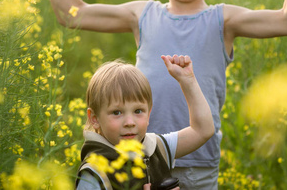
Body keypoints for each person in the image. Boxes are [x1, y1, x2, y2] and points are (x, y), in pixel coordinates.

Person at [34, 0, 287, 189]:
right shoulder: (142, 15)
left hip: (198, 164)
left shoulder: (223, 20)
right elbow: (72, 15)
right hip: (141, 160)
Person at [76, 54, 213, 190]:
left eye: (138, 111)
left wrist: (188, 81)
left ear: (149, 113)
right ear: (94, 119)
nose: (130, 122)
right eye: (117, 112)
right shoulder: (94, 173)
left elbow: (202, 130)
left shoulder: (156, 147)